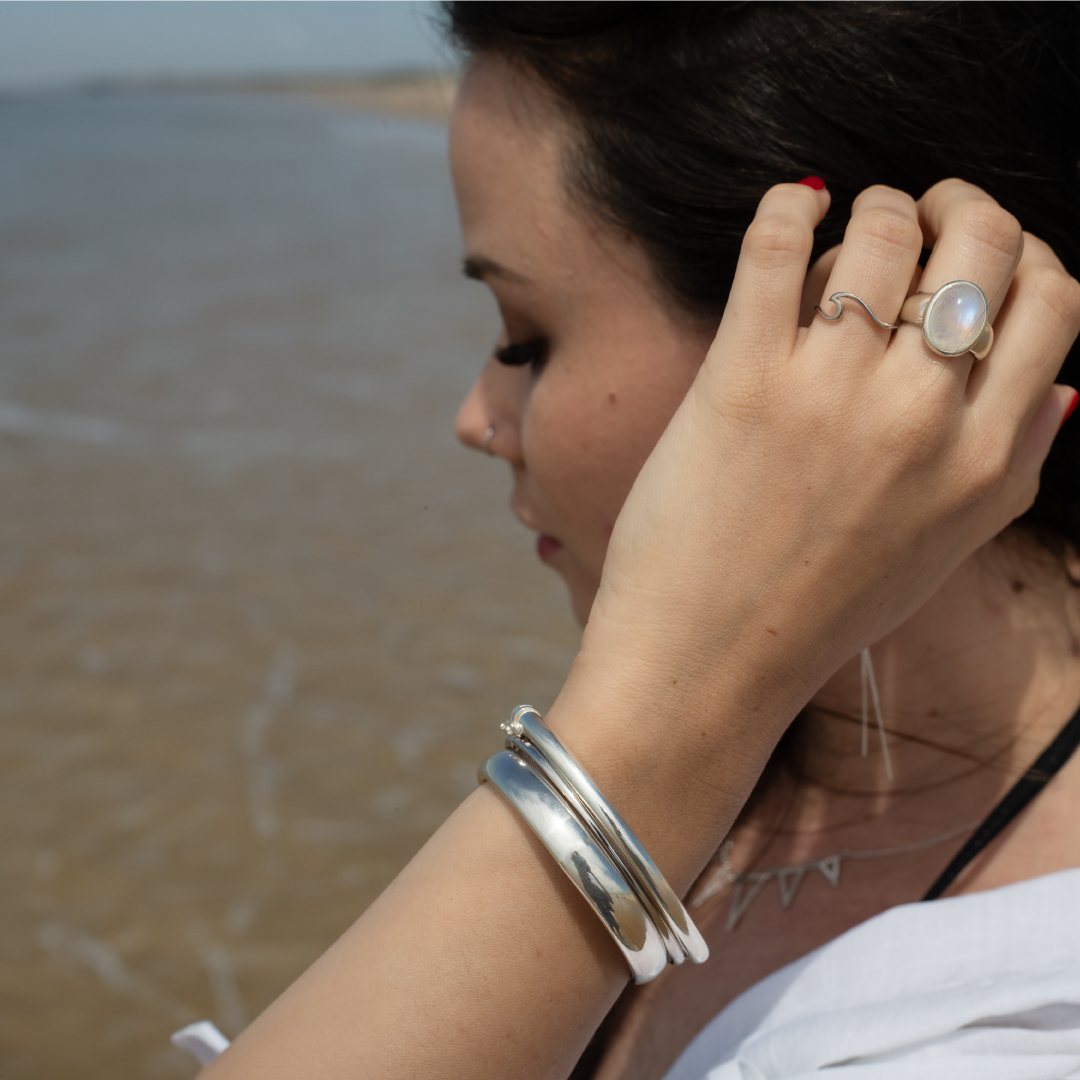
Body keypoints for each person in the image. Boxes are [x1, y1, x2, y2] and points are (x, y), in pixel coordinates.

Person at [198, 1, 1080, 1077]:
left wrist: (670, 707)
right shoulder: (760, 734)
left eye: (525, 339)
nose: (474, 418)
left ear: (849, 326)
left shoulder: (1017, 1034)